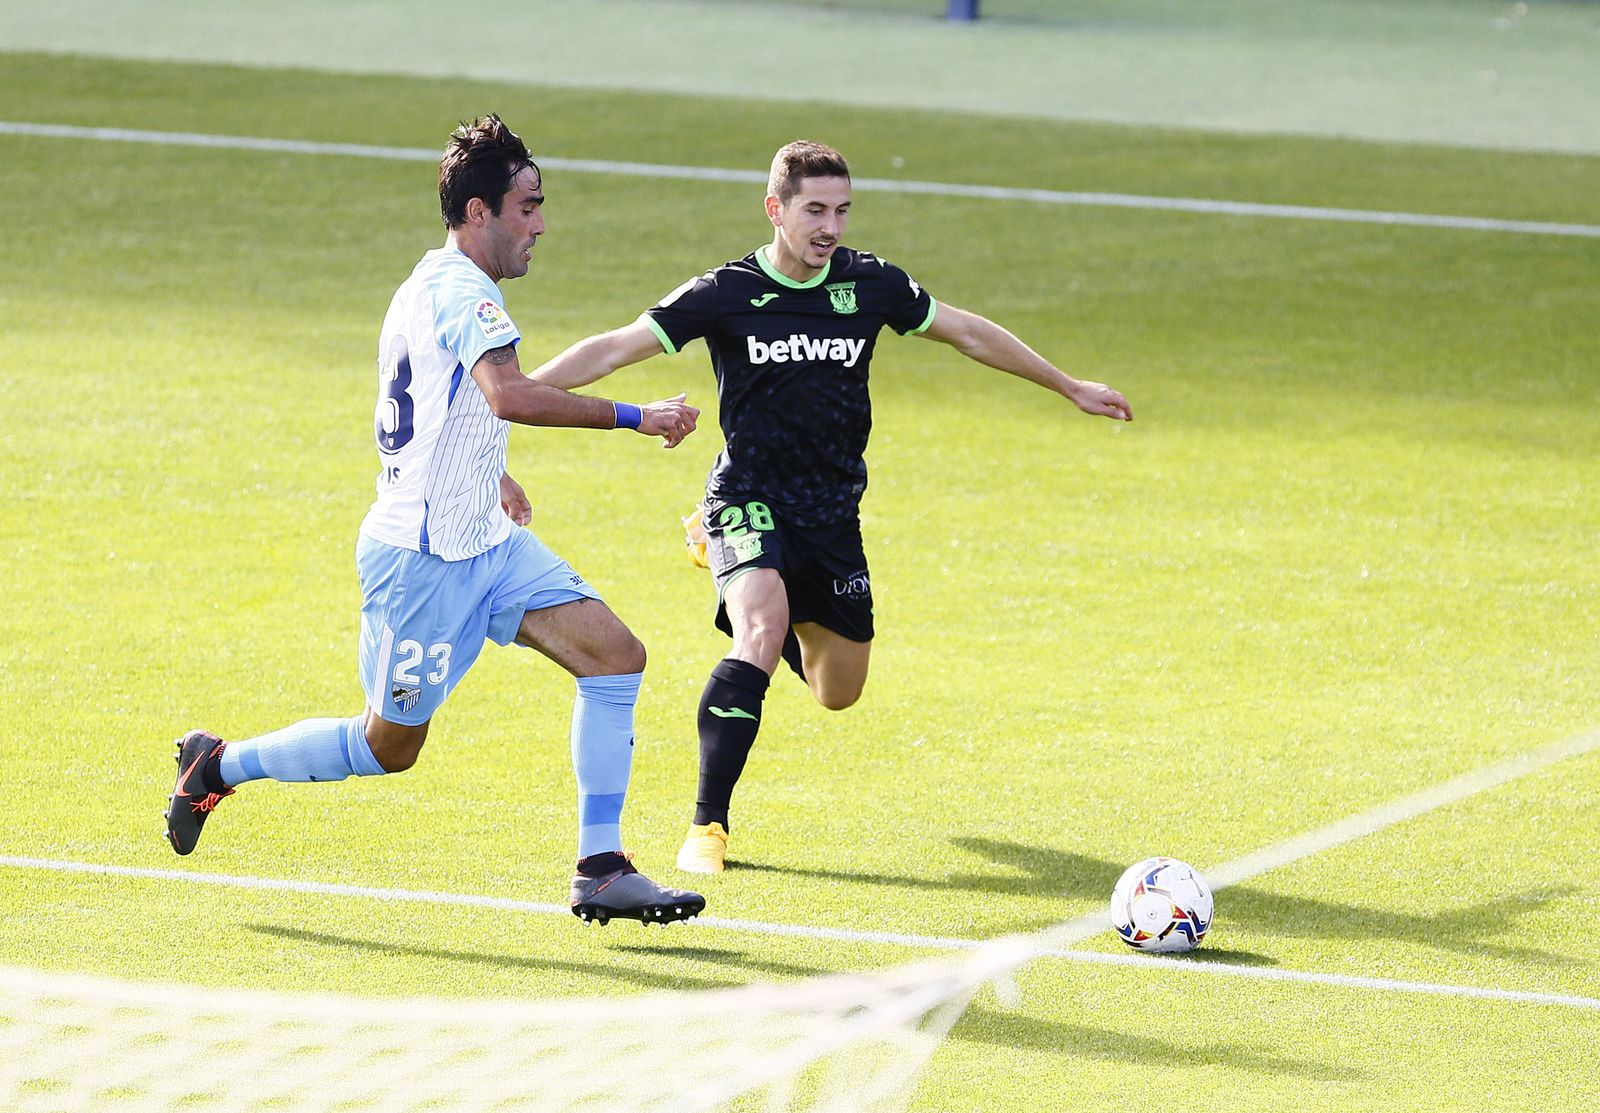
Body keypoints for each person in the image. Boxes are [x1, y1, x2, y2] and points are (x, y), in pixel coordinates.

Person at [528, 139, 1132, 874]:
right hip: (747, 496)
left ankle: (736, 568)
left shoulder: (870, 284)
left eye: (842, 210)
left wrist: (1068, 385)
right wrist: (516, 396)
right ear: (775, 209)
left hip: (832, 515)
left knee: (836, 690)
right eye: (815, 210)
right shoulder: (727, 291)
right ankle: (706, 827)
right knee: (759, 626)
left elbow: (967, 331)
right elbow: (618, 347)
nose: (830, 227)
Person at [164, 114, 707, 926]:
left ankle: (599, 866)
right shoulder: (460, 292)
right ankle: (219, 765)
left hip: (484, 543)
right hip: (421, 562)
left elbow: (446, 411)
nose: (540, 223)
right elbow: (510, 395)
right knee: (390, 747)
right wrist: (639, 416)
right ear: (479, 212)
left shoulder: (431, 283)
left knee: (616, 655)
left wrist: (490, 471)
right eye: (527, 206)